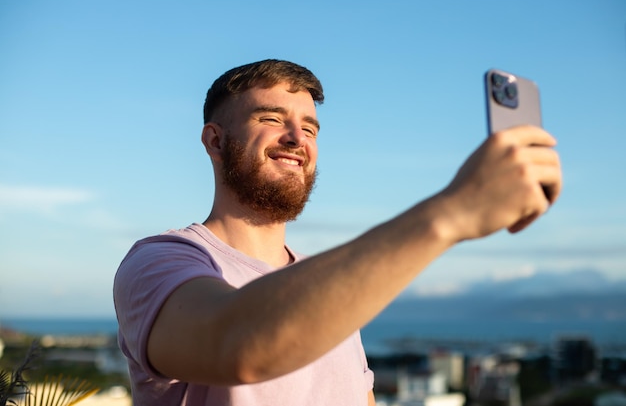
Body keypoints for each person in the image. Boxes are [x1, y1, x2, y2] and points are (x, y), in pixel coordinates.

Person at [113, 59, 562, 406]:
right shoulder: (161, 261)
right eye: (272, 118)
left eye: (309, 127)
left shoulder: (323, 287)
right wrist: (453, 212)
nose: (297, 138)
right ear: (214, 141)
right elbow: (240, 344)